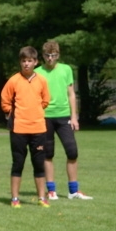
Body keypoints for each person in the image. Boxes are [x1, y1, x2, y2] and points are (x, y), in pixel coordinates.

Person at [36, 41, 92, 200]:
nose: (50, 58)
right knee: (48, 154)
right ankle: (51, 190)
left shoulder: (66, 69)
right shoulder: (37, 72)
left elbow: (71, 94)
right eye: (47, 55)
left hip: (63, 116)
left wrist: (74, 116)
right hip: (45, 117)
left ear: (58, 55)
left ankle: (73, 191)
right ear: (43, 56)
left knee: (72, 151)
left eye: (53, 55)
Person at [0, 46, 51, 208]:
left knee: (39, 164)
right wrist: (13, 113)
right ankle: (15, 199)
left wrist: (34, 112)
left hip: (38, 129)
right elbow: (5, 101)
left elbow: (45, 100)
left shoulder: (42, 80)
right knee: (18, 163)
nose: (26, 64)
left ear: (36, 62)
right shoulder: (14, 80)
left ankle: (42, 198)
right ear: (20, 63)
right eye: (23, 61)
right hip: (18, 129)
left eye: (30, 61)